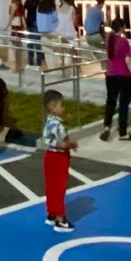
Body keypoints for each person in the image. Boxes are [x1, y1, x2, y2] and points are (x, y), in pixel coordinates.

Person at [41, 88, 76, 232]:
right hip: (59, 158)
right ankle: (60, 219)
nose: (63, 108)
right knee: (59, 187)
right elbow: (63, 142)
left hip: (50, 156)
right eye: (61, 105)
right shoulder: (58, 125)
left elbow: (47, 138)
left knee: (51, 186)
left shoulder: (49, 122)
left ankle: (52, 213)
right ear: (53, 107)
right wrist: (71, 144)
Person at [99, 18, 131, 142]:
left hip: (110, 74)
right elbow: (128, 61)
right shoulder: (123, 42)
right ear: (122, 27)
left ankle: (107, 126)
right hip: (124, 75)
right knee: (123, 104)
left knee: (110, 102)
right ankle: (122, 132)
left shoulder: (109, 40)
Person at [54, 0, 79, 67]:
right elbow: (73, 21)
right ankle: (76, 66)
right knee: (73, 52)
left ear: (62, 0)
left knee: (62, 53)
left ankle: (63, 67)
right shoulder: (72, 8)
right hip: (70, 33)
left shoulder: (57, 9)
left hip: (60, 33)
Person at [34, 0, 57, 68]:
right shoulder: (52, 7)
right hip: (52, 33)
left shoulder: (39, 7)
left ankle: (50, 69)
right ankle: (55, 70)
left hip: (42, 33)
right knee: (54, 54)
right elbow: (55, 20)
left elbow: (37, 20)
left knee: (47, 55)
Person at [6, 0, 27, 72]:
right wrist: (25, 26)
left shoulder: (14, 4)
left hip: (15, 27)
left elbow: (11, 16)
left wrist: (7, 26)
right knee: (18, 47)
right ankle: (19, 66)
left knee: (16, 48)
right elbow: (23, 17)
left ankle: (17, 67)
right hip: (20, 27)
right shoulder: (20, 3)